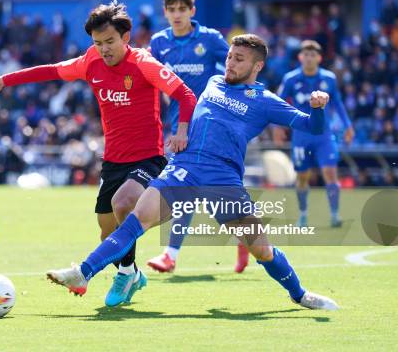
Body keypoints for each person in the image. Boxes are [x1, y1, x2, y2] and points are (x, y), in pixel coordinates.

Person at [46, 34, 339, 311]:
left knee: (261, 250)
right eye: (229, 57)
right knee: (135, 220)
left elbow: (312, 126)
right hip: (183, 168)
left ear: (257, 66)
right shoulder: (213, 82)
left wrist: (318, 107)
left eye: (239, 59)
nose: (230, 63)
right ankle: (82, 273)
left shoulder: (264, 100)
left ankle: (300, 295)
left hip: (223, 179)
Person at [0, 1, 197, 307]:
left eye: (110, 42)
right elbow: (51, 70)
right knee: (108, 234)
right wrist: (4, 80)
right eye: (98, 43)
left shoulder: (144, 63)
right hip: (113, 161)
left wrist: (181, 131)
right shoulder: (90, 62)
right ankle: (132, 273)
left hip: (149, 157)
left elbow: (185, 95)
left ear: (125, 37)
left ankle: (124, 275)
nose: (104, 49)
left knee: (123, 203)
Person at [146, 0, 251, 274]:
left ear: (192, 10)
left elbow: (236, 66)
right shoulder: (159, 43)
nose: (177, 14)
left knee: (188, 189)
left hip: (210, 123)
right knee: (198, 191)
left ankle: (170, 254)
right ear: (165, 13)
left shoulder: (211, 39)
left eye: (182, 9)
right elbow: (152, 83)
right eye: (172, 9)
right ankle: (243, 235)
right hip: (178, 124)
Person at [277, 40, 353, 228]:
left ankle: (335, 215)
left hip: (324, 135)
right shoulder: (290, 79)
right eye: (306, 54)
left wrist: (348, 126)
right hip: (301, 136)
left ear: (319, 58)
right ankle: (303, 215)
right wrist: (278, 127)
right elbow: (279, 103)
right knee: (302, 177)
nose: (309, 58)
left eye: (313, 55)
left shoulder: (329, 79)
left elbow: (338, 104)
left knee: (330, 172)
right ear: (300, 57)